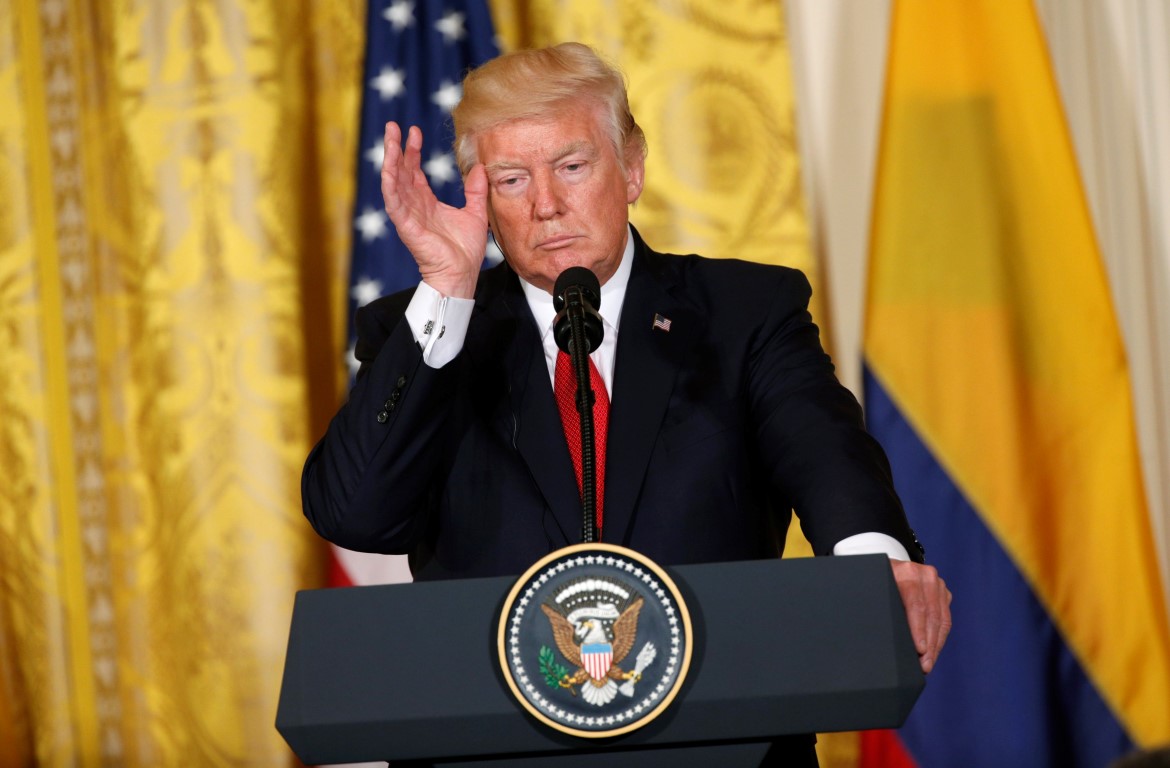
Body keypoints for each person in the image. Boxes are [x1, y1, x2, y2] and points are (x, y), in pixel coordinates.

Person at [302, 42, 950, 763]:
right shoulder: (424, 330)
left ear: (632, 167)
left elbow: (824, 451)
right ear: (480, 197)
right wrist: (447, 290)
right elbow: (355, 514)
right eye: (511, 179)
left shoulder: (744, 311)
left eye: (572, 167)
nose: (546, 205)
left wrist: (875, 563)